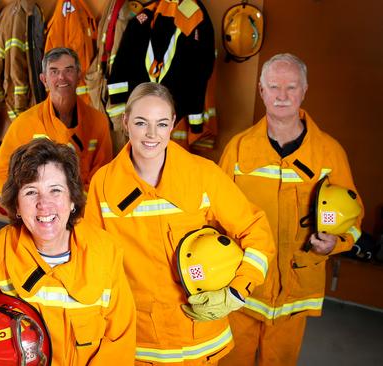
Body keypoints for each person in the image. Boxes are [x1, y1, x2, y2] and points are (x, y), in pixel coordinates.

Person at [84, 82, 275, 365]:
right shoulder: (104, 184)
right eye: (141, 122)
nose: (151, 134)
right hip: (139, 341)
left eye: (161, 124)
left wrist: (238, 289)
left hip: (199, 340)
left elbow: (256, 230)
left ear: (173, 124)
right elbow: (92, 260)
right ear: (125, 122)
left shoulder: (203, 175)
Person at [217, 53, 364, 366]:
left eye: (291, 87)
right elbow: (215, 215)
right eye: (274, 87)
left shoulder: (329, 152)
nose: (282, 96)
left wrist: (335, 243)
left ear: (305, 90)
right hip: (244, 287)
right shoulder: (239, 150)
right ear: (261, 91)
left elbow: (353, 217)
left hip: (294, 295)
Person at [0, 138, 136, 365]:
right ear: (17, 206)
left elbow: (120, 341)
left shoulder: (105, 253)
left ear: (72, 200)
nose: (44, 204)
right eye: (31, 192)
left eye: (56, 190)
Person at [0, 47, 113, 196]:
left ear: (79, 76)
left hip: (84, 211)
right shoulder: (26, 123)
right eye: (54, 71)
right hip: (42, 211)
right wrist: (24, 204)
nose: (62, 77)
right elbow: (1, 172)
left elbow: (103, 176)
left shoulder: (98, 121)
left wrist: (75, 205)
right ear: (44, 80)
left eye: (68, 70)